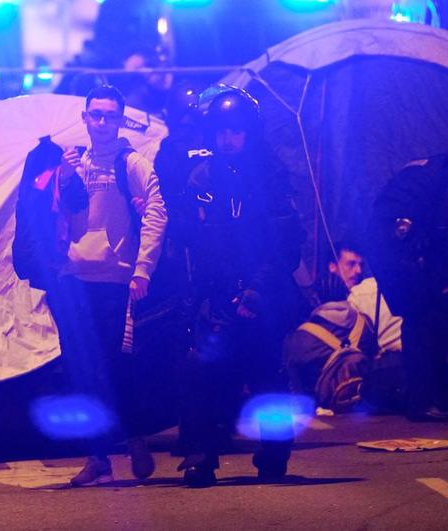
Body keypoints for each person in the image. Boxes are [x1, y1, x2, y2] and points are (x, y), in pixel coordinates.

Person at [160, 85, 305, 487]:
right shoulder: (202, 175)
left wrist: (259, 289)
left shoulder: (272, 178)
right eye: (222, 130)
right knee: (201, 372)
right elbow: (187, 237)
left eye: (236, 130)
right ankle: (199, 456)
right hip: (216, 293)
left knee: (267, 376)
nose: (228, 138)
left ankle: (275, 453)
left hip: (262, 293)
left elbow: (285, 243)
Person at [55, 85, 167, 486]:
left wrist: (143, 269)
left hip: (116, 278)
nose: (102, 122)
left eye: (109, 115)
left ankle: (134, 437)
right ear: (85, 118)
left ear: (119, 119)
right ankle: (98, 453)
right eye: (95, 114)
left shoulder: (131, 162)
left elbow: (157, 211)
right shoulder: (74, 161)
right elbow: (61, 216)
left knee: (118, 364)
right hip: (74, 277)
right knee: (83, 369)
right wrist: (64, 177)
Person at [367, 154, 448, 421]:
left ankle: (427, 397)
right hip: (406, 255)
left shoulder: (429, 172)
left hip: (402, 253)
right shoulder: (434, 180)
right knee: (427, 317)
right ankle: (426, 399)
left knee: (423, 318)